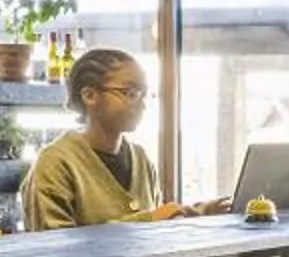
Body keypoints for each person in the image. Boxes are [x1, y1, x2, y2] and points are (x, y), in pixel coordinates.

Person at [20, 47, 226, 229]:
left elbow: (155, 233)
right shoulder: (55, 163)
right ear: (90, 96)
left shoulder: (140, 158)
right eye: (131, 92)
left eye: (144, 94)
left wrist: (199, 213)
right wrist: (149, 219)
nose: (142, 104)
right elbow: (53, 249)